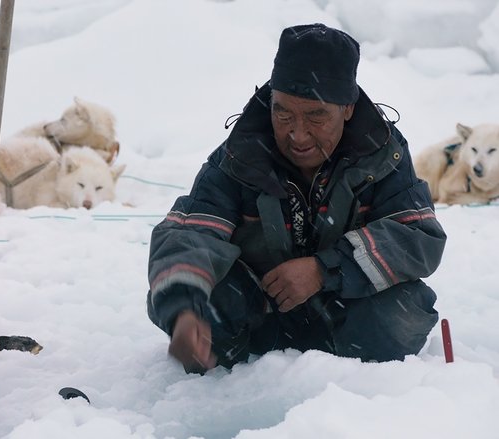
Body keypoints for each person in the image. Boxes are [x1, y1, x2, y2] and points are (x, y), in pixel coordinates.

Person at [146, 23, 447, 373]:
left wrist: (325, 269)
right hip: (259, 319)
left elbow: (418, 237)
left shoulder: (382, 153)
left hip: (346, 312)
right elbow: (192, 233)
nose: (297, 134)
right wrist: (184, 309)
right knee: (199, 302)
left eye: (316, 115)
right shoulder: (239, 155)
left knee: (401, 314)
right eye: (283, 113)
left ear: (348, 108)